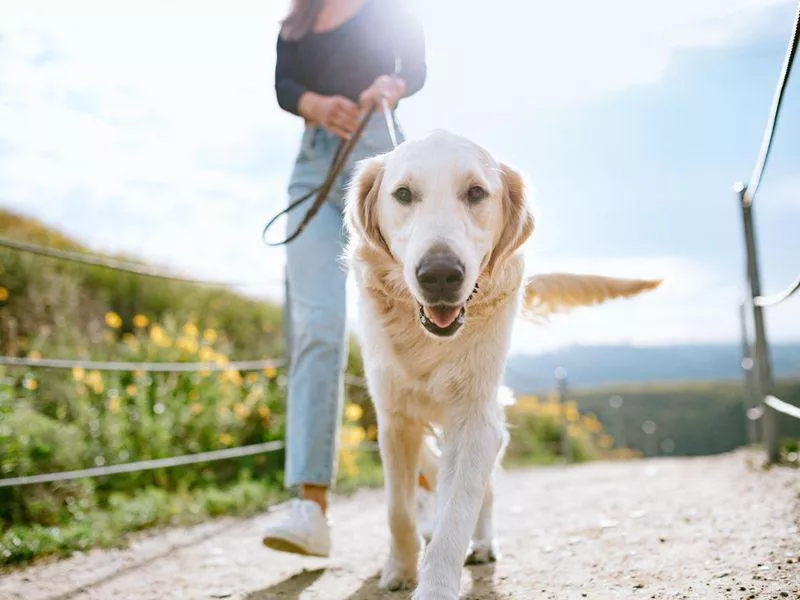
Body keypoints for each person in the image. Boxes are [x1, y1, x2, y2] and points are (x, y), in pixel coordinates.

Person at [262, 0, 429, 557]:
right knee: (319, 323)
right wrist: (313, 102)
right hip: (313, 167)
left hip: (384, 161)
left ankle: (429, 478)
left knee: (410, 321)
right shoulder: (298, 20)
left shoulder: (391, 9)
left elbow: (417, 67)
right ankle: (310, 507)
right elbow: (285, 84)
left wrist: (392, 83)